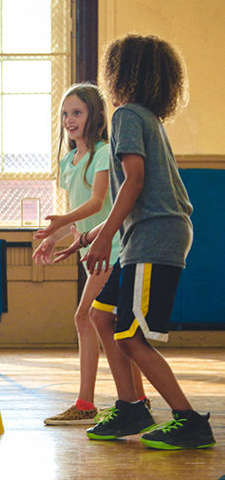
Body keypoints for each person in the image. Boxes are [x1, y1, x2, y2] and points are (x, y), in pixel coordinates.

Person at [54, 34, 215, 450]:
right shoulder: (145, 117)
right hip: (144, 235)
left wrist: (105, 238)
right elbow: (135, 191)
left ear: (120, 72)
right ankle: (131, 406)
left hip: (155, 237)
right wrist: (90, 235)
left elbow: (136, 182)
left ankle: (189, 419)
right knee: (101, 316)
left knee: (129, 336)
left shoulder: (126, 114)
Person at [33, 84, 147, 426]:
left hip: (113, 249)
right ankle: (136, 399)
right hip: (92, 250)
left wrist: (61, 225)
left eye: (77, 112)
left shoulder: (103, 152)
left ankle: (89, 403)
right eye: (65, 113)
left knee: (87, 318)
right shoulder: (69, 160)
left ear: (95, 116)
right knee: (105, 324)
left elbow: (98, 202)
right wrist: (54, 237)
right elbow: (81, 214)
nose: (70, 119)